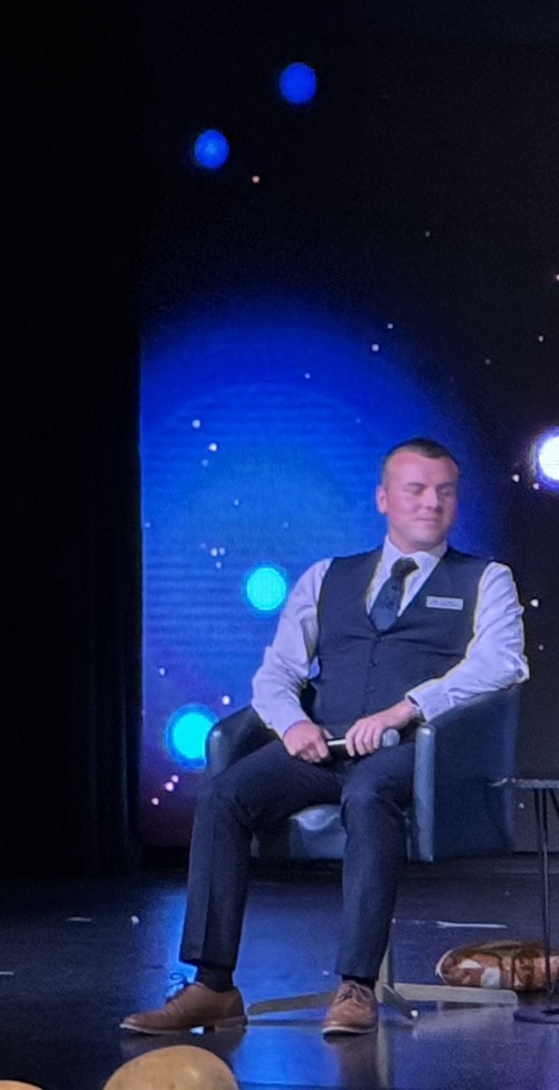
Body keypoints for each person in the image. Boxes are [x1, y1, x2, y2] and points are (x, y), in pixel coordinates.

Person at [123, 438, 529, 1037]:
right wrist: (291, 724)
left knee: (367, 794)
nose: (431, 503)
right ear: (383, 498)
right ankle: (212, 985)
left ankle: (356, 986)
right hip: (323, 747)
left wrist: (406, 709)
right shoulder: (327, 576)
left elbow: (502, 664)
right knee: (224, 795)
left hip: (411, 752)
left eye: (445, 492)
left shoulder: (485, 579)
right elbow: (277, 672)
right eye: (416, 490)